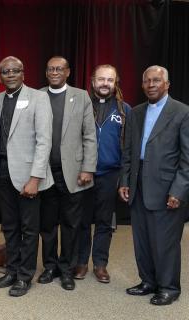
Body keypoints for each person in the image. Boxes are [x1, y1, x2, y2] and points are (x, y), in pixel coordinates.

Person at [119, 65, 189, 306]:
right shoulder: (135, 112)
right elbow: (128, 151)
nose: (151, 85)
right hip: (138, 186)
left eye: (157, 80)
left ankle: (169, 287)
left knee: (165, 242)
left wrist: (179, 190)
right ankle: (148, 281)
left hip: (168, 189)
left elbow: (187, 158)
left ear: (167, 84)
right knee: (142, 239)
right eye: (147, 81)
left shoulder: (182, 112)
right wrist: (124, 181)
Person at [0, 56, 53, 297]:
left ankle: (25, 276)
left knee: (29, 228)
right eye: (6, 71)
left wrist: (35, 178)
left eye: (15, 70)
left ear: (23, 73)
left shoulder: (39, 98)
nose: (11, 74)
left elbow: (44, 140)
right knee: (9, 226)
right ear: (0, 76)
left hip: (28, 175)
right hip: (3, 172)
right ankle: (12, 270)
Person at [38, 56, 97, 290]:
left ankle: (66, 270)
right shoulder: (37, 95)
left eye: (59, 69)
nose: (54, 72)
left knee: (71, 223)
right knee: (48, 224)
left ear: (68, 72)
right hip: (44, 172)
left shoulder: (81, 96)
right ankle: (50, 266)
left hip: (73, 172)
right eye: (50, 68)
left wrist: (88, 168)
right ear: (46, 72)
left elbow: (89, 135)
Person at [74, 64, 131, 284]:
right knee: (81, 220)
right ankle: (80, 262)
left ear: (115, 82)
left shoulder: (125, 110)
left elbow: (128, 149)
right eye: (101, 79)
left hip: (109, 174)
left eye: (110, 80)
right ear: (92, 81)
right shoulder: (81, 106)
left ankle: (100, 264)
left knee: (104, 221)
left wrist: (123, 179)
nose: (105, 83)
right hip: (83, 173)